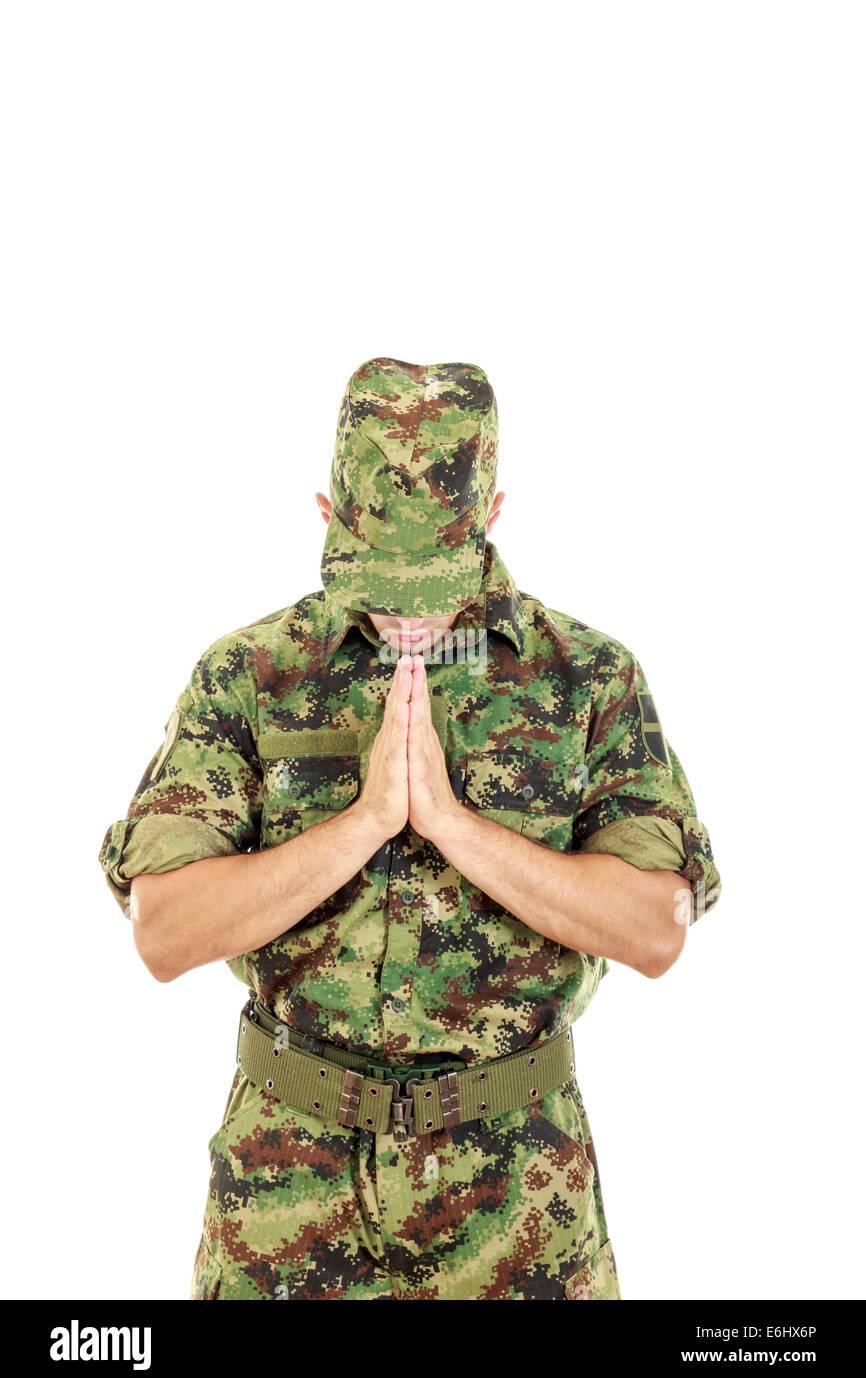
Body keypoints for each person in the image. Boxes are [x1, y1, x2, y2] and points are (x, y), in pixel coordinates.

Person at [100, 357, 721, 1300]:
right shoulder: (250, 674)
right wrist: (362, 824)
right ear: (325, 512)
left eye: (431, 577)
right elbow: (164, 933)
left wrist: (454, 826)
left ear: (494, 514)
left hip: (521, 1195)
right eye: (382, 575)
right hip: (288, 1182)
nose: (407, 607)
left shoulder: (588, 678)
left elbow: (653, 930)